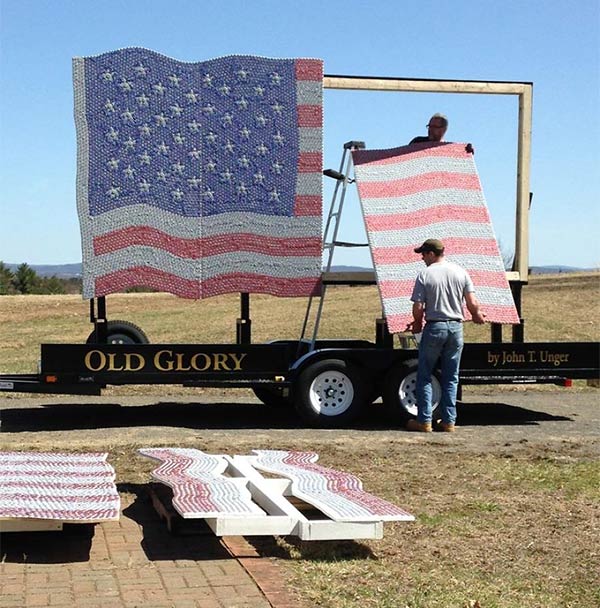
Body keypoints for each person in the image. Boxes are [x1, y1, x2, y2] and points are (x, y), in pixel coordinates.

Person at [406, 239, 486, 432]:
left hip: (435, 327)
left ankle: (424, 420)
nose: (423, 258)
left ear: (432, 254)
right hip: (456, 328)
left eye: (424, 254)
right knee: (451, 377)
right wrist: (476, 315)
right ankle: (449, 421)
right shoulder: (460, 272)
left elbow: (418, 307)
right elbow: (471, 301)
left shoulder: (425, 274)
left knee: (425, 374)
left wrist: (417, 323)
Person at [409, 113, 474, 153]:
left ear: (444, 129)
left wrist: (466, 152)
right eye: (429, 126)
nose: (430, 129)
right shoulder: (417, 142)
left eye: (434, 127)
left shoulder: (449, 150)